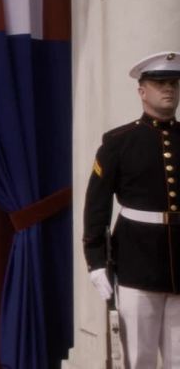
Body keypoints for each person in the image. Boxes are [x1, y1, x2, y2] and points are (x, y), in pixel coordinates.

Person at [83, 51, 180, 368]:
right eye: (160, 83)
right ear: (142, 91)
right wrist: (96, 261)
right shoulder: (118, 142)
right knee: (139, 358)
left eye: (174, 83)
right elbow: (97, 206)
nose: (169, 89)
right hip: (137, 262)